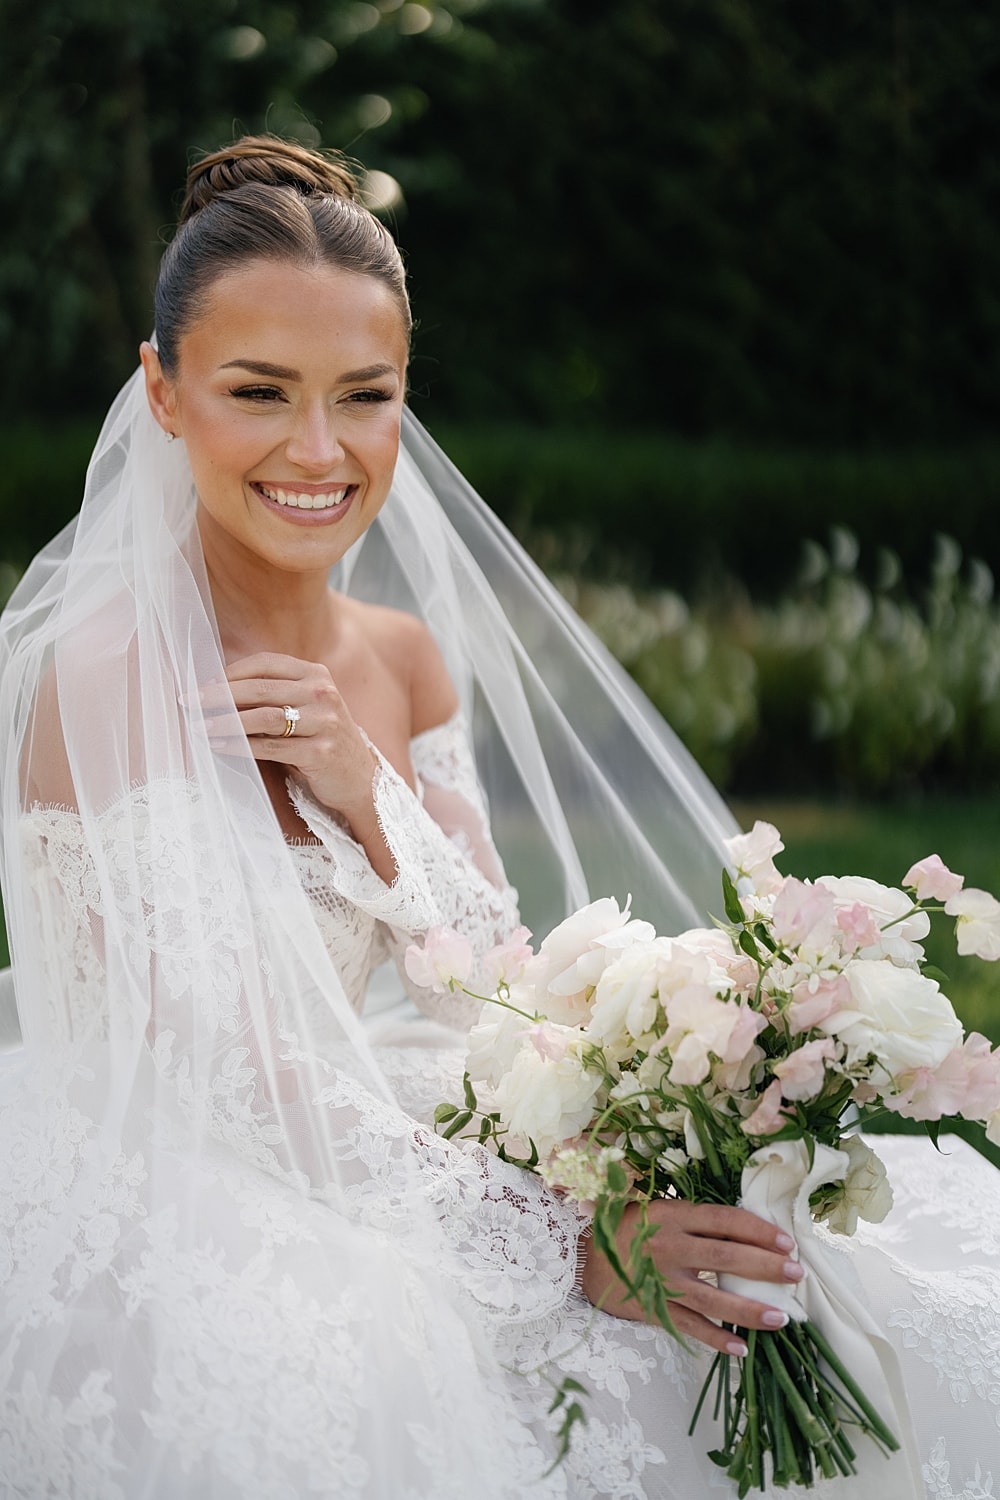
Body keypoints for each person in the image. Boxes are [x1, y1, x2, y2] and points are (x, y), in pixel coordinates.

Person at [0, 135, 997, 1500]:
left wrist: (372, 793)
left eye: (366, 396)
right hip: (197, 1168)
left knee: (820, 1277)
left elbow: (500, 985)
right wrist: (562, 1242)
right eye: (258, 393)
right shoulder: (107, 672)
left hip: (393, 1100)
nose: (318, 449)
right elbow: (232, 1079)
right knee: (431, 1370)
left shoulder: (401, 659)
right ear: (162, 393)